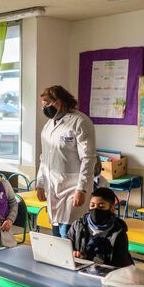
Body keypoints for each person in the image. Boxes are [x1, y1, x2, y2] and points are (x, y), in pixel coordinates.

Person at [67, 187, 132, 287]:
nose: (96, 209)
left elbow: (119, 265)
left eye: (101, 206)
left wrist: (93, 264)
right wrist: (74, 254)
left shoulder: (118, 232)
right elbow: (66, 246)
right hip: (83, 278)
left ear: (112, 209)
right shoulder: (79, 225)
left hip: (111, 282)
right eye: (92, 206)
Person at [36, 85, 96, 238]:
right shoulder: (48, 126)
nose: (44, 108)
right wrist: (40, 183)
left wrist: (81, 189)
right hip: (53, 186)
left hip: (73, 187)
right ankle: (60, 262)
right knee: (56, 232)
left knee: (67, 233)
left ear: (60, 101)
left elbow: (88, 158)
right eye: (42, 104)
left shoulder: (80, 122)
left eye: (47, 103)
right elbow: (44, 158)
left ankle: (74, 261)